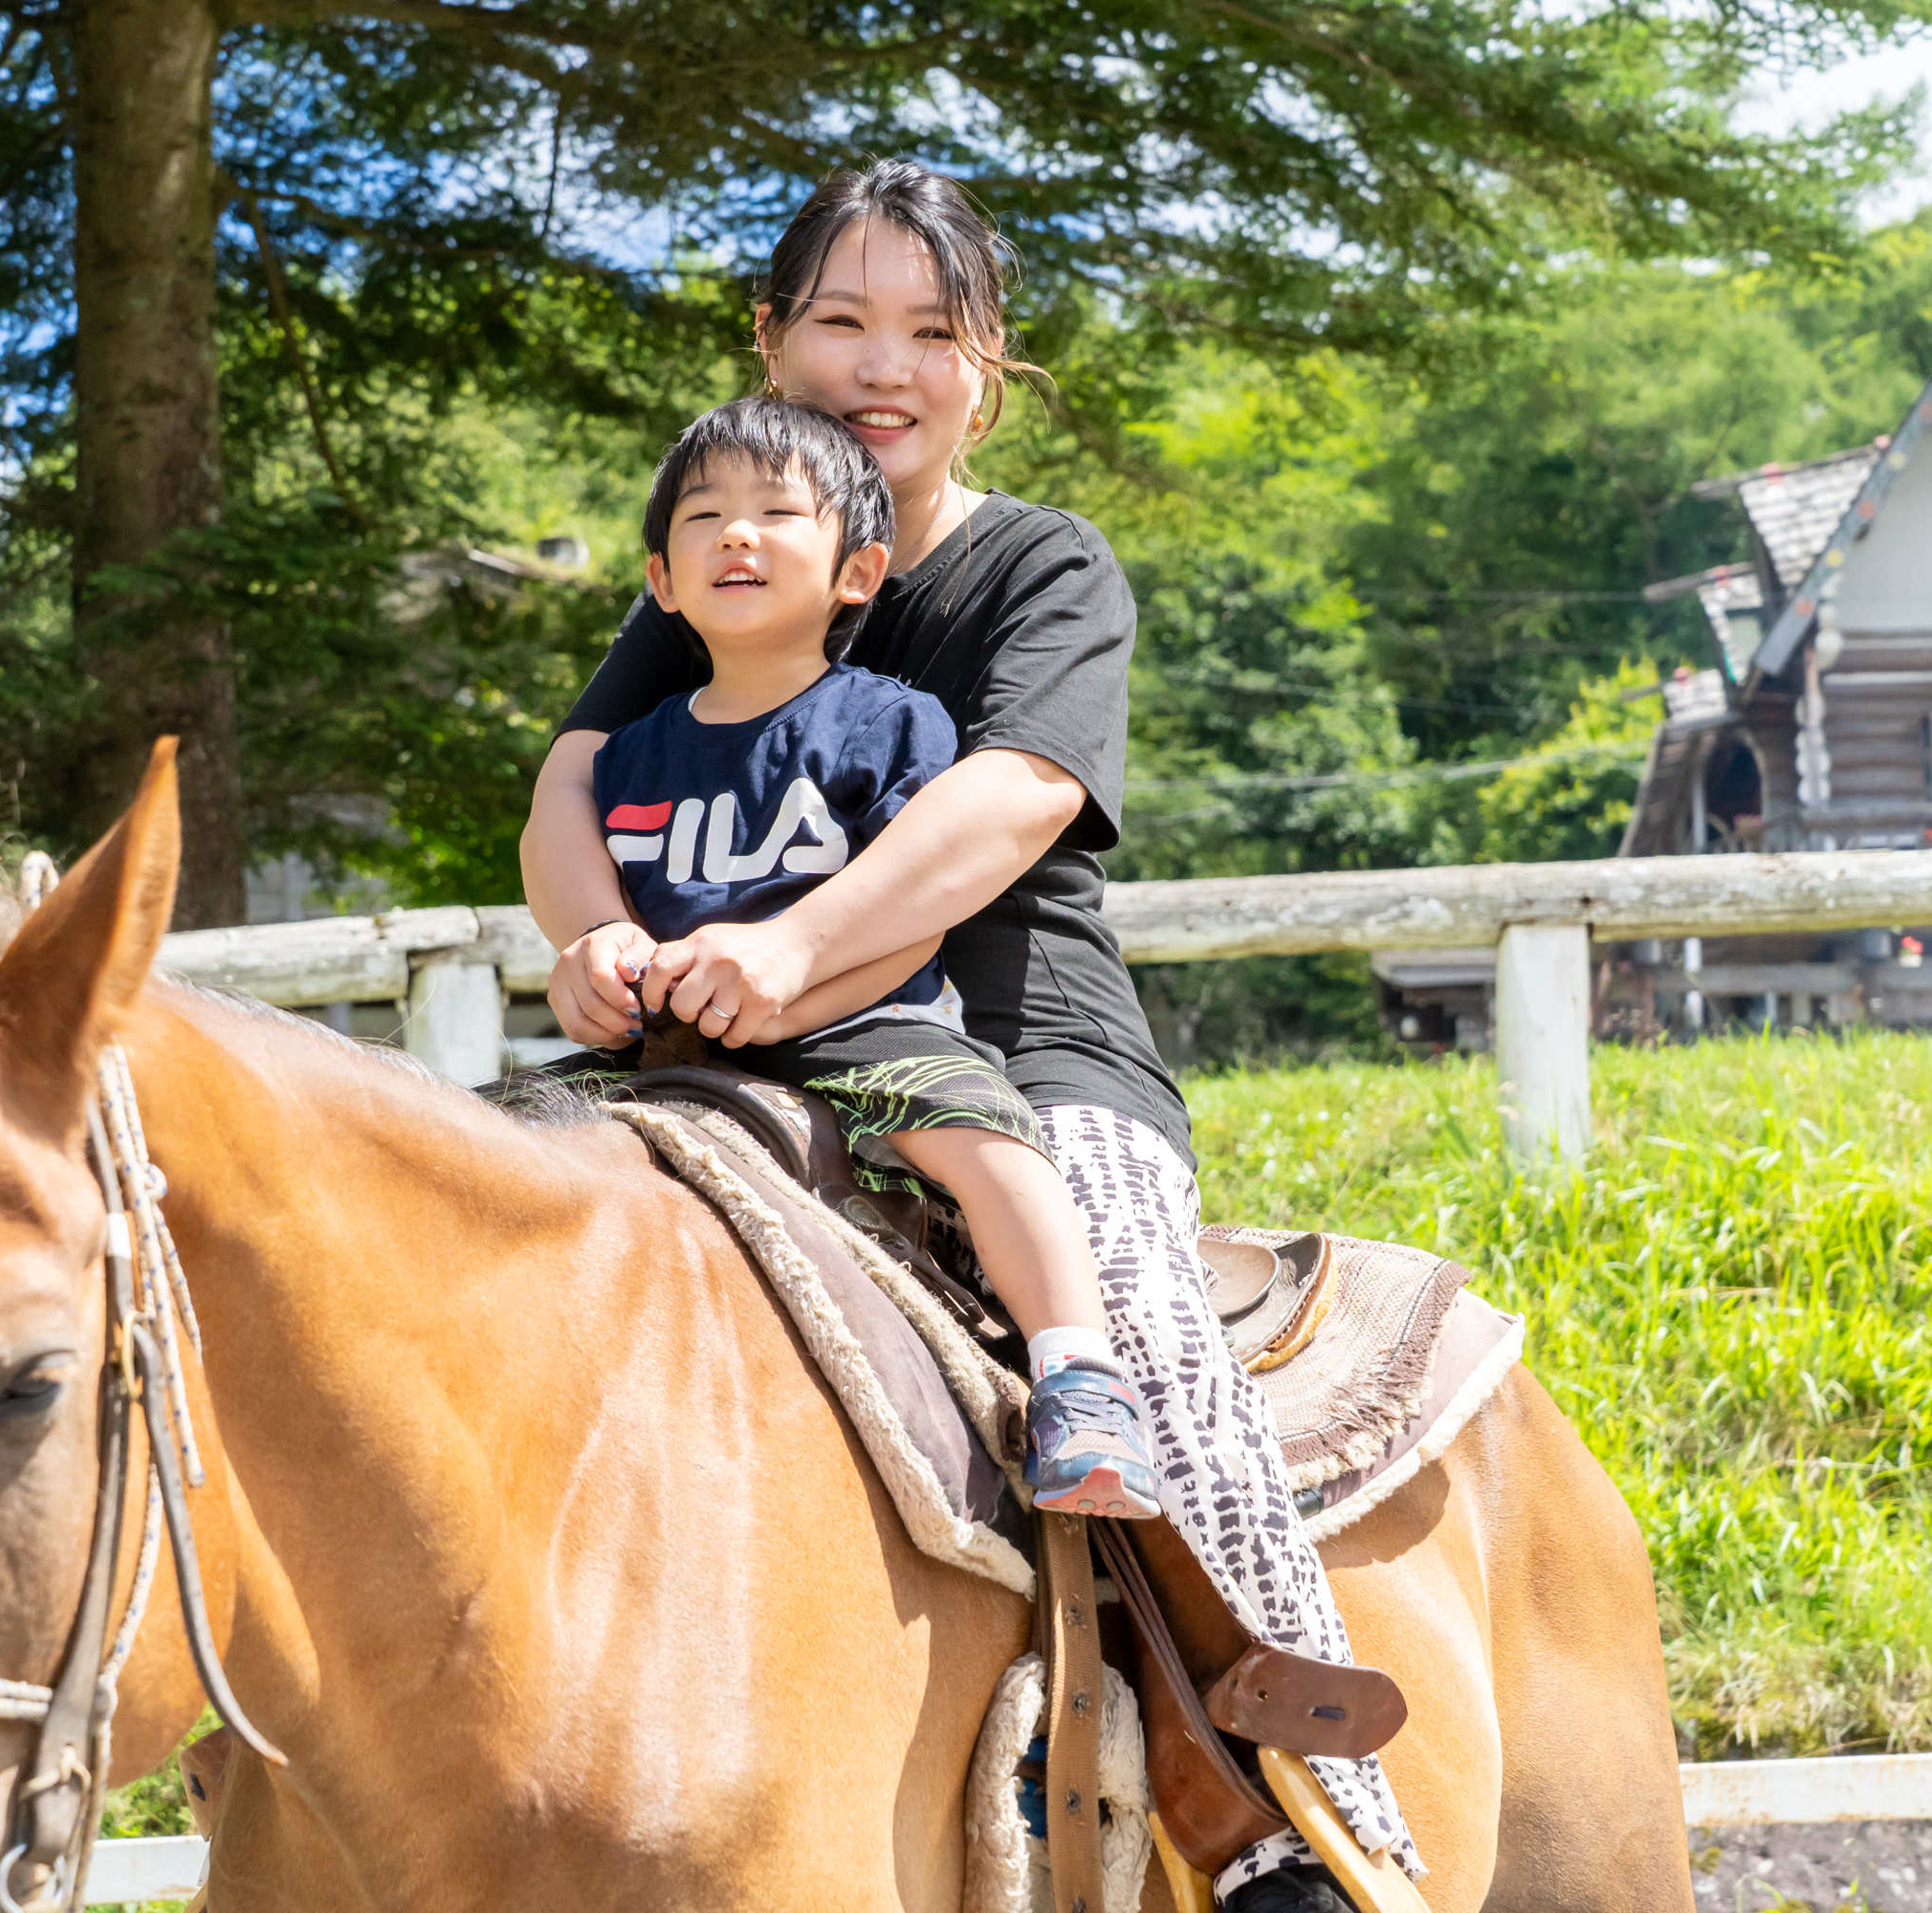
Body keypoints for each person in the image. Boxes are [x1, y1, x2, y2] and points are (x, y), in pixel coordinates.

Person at [519, 161, 1419, 1909]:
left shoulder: (1039, 567)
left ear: (987, 367)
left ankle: (1293, 1829)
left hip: (1006, 1042)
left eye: (932, 331)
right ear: (769, 341)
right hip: (707, 1043)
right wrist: (598, 942)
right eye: (842, 320)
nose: (884, 364)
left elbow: (1012, 799)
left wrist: (793, 953)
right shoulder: (721, 558)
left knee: (1136, 1348)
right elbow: (571, 780)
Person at [538, 392, 1168, 1521]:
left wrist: (797, 993)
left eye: (778, 512)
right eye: (705, 517)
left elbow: (912, 922)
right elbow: (592, 885)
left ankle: (1081, 1373)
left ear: (857, 573)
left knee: (991, 1142)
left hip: (862, 1024)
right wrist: (593, 956)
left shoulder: (890, 721)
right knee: (500, 1136)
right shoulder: (627, 754)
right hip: (665, 1040)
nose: (738, 533)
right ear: (660, 581)